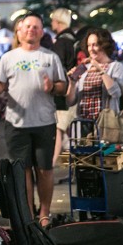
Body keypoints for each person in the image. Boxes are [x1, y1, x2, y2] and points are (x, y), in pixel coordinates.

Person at [0, 12, 67, 227]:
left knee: (44, 169)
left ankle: (44, 213)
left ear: (42, 32)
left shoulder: (50, 57)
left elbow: (63, 86)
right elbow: (0, 88)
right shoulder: (9, 57)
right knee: (22, 171)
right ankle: (27, 214)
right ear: (19, 31)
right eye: (27, 27)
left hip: (44, 122)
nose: (31, 30)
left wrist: (52, 87)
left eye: (36, 27)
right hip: (16, 122)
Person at [66, 28, 123, 128]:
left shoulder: (116, 66)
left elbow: (116, 93)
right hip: (83, 125)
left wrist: (101, 71)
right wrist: (71, 83)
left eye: (95, 45)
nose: (91, 49)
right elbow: (70, 102)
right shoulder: (85, 68)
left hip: (106, 125)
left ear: (104, 45)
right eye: (89, 45)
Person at [50, 8, 78, 166]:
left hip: (63, 92)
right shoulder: (74, 40)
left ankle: (49, 166)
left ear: (58, 21)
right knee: (65, 131)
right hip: (73, 88)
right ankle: (74, 164)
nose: (52, 22)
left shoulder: (61, 42)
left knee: (58, 130)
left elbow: (57, 67)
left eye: (53, 19)